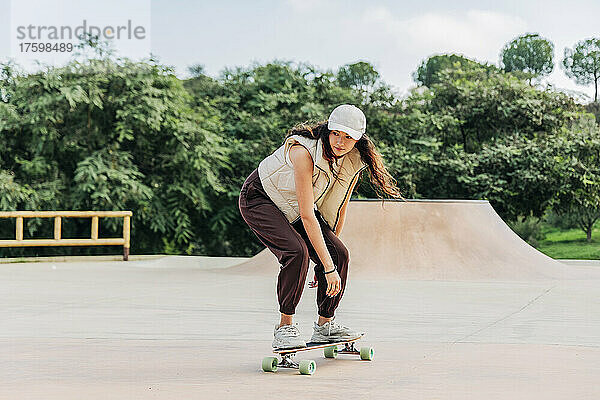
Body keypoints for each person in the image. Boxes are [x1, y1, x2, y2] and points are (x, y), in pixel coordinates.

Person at [238, 104, 402, 349]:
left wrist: (326, 257)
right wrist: (324, 266)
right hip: (260, 197)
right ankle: (285, 328)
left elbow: (338, 209)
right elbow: (307, 215)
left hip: (293, 206)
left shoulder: (352, 161)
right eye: (336, 133)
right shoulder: (303, 152)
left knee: (340, 255)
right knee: (296, 252)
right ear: (328, 130)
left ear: (358, 140)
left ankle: (325, 326)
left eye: (348, 137)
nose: (340, 142)